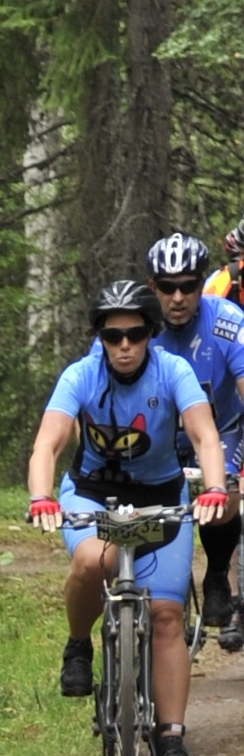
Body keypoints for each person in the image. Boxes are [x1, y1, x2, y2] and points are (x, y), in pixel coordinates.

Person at [25, 275, 229, 756]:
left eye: (135, 334)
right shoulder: (81, 375)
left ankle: (171, 738)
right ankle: (79, 645)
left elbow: (205, 436)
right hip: (92, 493)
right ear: (99, 337)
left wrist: (214, 488)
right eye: (112, 335)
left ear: (150, 334)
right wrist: (42, 497)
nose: (123, 346)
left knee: (166, 614)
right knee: (92, 560)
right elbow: (48, 443)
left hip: (161, 496)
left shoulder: (173, 371)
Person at [146, 232, 244, 648]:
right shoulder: (138, 325)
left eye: (188, 286)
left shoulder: (226, 320)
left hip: (221, 429)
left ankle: (218, 572)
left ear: (201, 284)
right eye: (167, 287)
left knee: (223, 496)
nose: (178, 297)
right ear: (152, 287)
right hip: (162, 436)